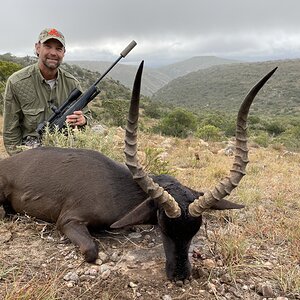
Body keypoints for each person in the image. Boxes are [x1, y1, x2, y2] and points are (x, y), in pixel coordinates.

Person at [2, 28, 91, 155]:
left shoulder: (73, 84)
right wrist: (19, 162)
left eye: (59, 49)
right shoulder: (16, 82)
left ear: (64, 53)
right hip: (31, 152)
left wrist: (84, 120)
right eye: (48, 46)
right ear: (38, 48)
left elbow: (88, 116)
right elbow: (10, 131)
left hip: (65, 149)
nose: (53, 53)